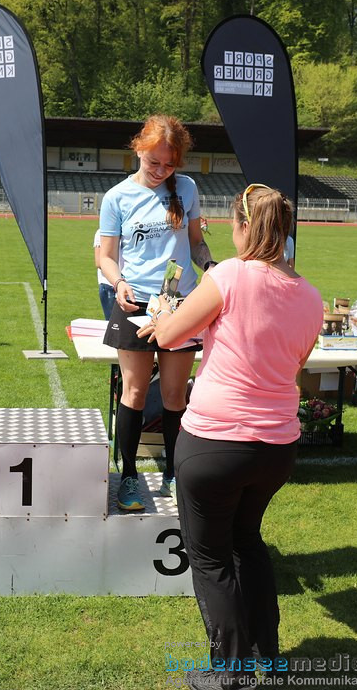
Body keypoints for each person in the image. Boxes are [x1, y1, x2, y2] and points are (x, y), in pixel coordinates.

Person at [139, 184, 323, 690]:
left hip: (216, 442)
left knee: (211, 558)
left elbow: (172, 334)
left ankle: (233, 674)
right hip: (276, 446)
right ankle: (268, 657)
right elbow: (297, 362)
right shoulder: (309, 294)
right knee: (248, 543)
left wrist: (161, 319)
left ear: (245, 227)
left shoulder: (230, 274)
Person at [98, 115, 216, 510]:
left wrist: (213, 269)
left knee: (173, 395)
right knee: (132, 392)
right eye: (154, 162)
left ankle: (174, 471)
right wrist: (119, 283)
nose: (161, 170)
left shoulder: (187, 187)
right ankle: (129, 475)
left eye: (169, 164)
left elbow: (197, 244)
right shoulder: (116, 197)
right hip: (135, 304)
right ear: (138, 150)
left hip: (180, 304)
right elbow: (107, 256)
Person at [93, 231, 120, 321]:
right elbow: (99, 262)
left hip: (127, 285)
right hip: (109, 285)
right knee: (112, 324)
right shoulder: (102, 232)